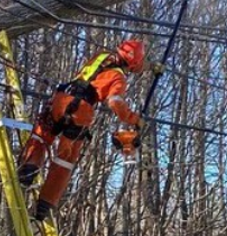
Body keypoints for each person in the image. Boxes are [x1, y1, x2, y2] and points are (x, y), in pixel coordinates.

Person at [18, 39, 148, 221]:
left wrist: (151, 67)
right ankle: (44, 206)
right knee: (65, 158)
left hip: (62, 98)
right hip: (82, 110)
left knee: (42, 135)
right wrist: (134, 119)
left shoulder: (100, 56)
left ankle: (27, 169)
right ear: (133, 64)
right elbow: (115, 102)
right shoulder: (118, 78)